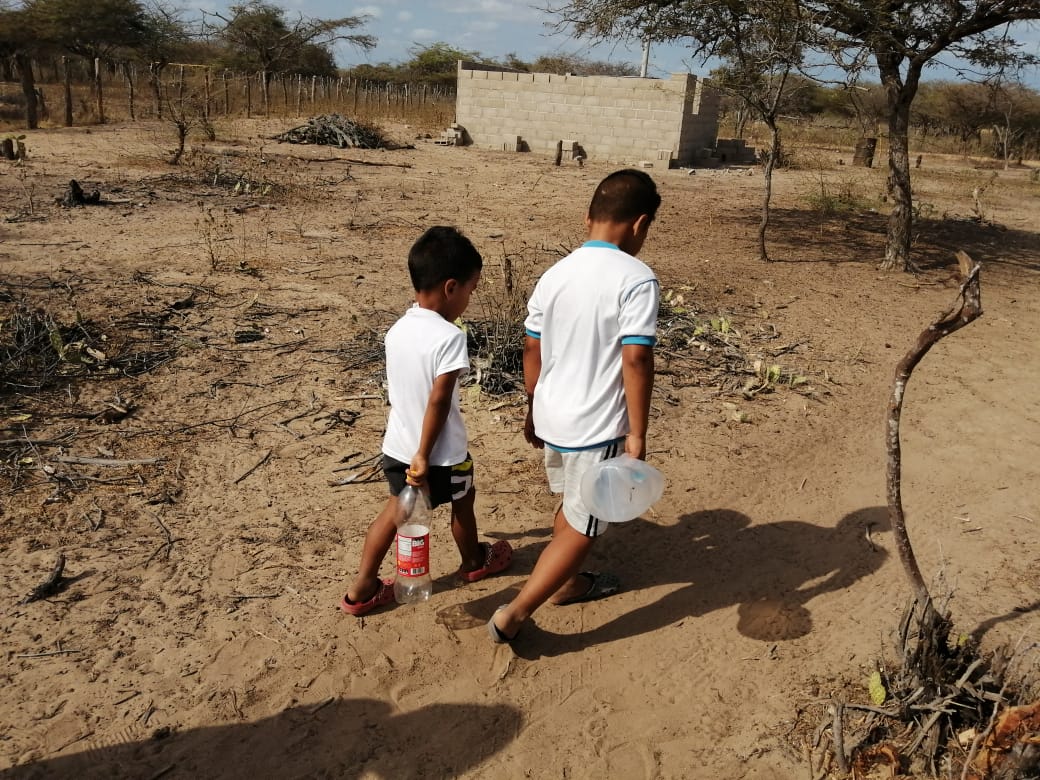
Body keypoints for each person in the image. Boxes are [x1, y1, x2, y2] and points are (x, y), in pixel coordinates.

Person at [488, 169, 661, 643]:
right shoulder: (637, 279)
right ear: (640, 224)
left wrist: (531, 405)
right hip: (596, 424)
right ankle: (517, 613)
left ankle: (565, 582)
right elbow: (637, 356)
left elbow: (531, 347)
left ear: (589, 217)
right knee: (586, 526)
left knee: (573, 504)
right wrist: (638, 433)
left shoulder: (555, 274)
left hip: (551, 414)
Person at [341, 226, 513, 616]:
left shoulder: (397, 330)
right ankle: (473, 562)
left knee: (394, 510)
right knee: (463, 500)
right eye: (471, 290)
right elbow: (438, 398)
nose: (469, 299)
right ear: (451, 287)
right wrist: (424, 454)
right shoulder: (449, 336)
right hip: (439, 454)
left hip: (397, 446)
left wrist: (411, 452)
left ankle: (363, 587)